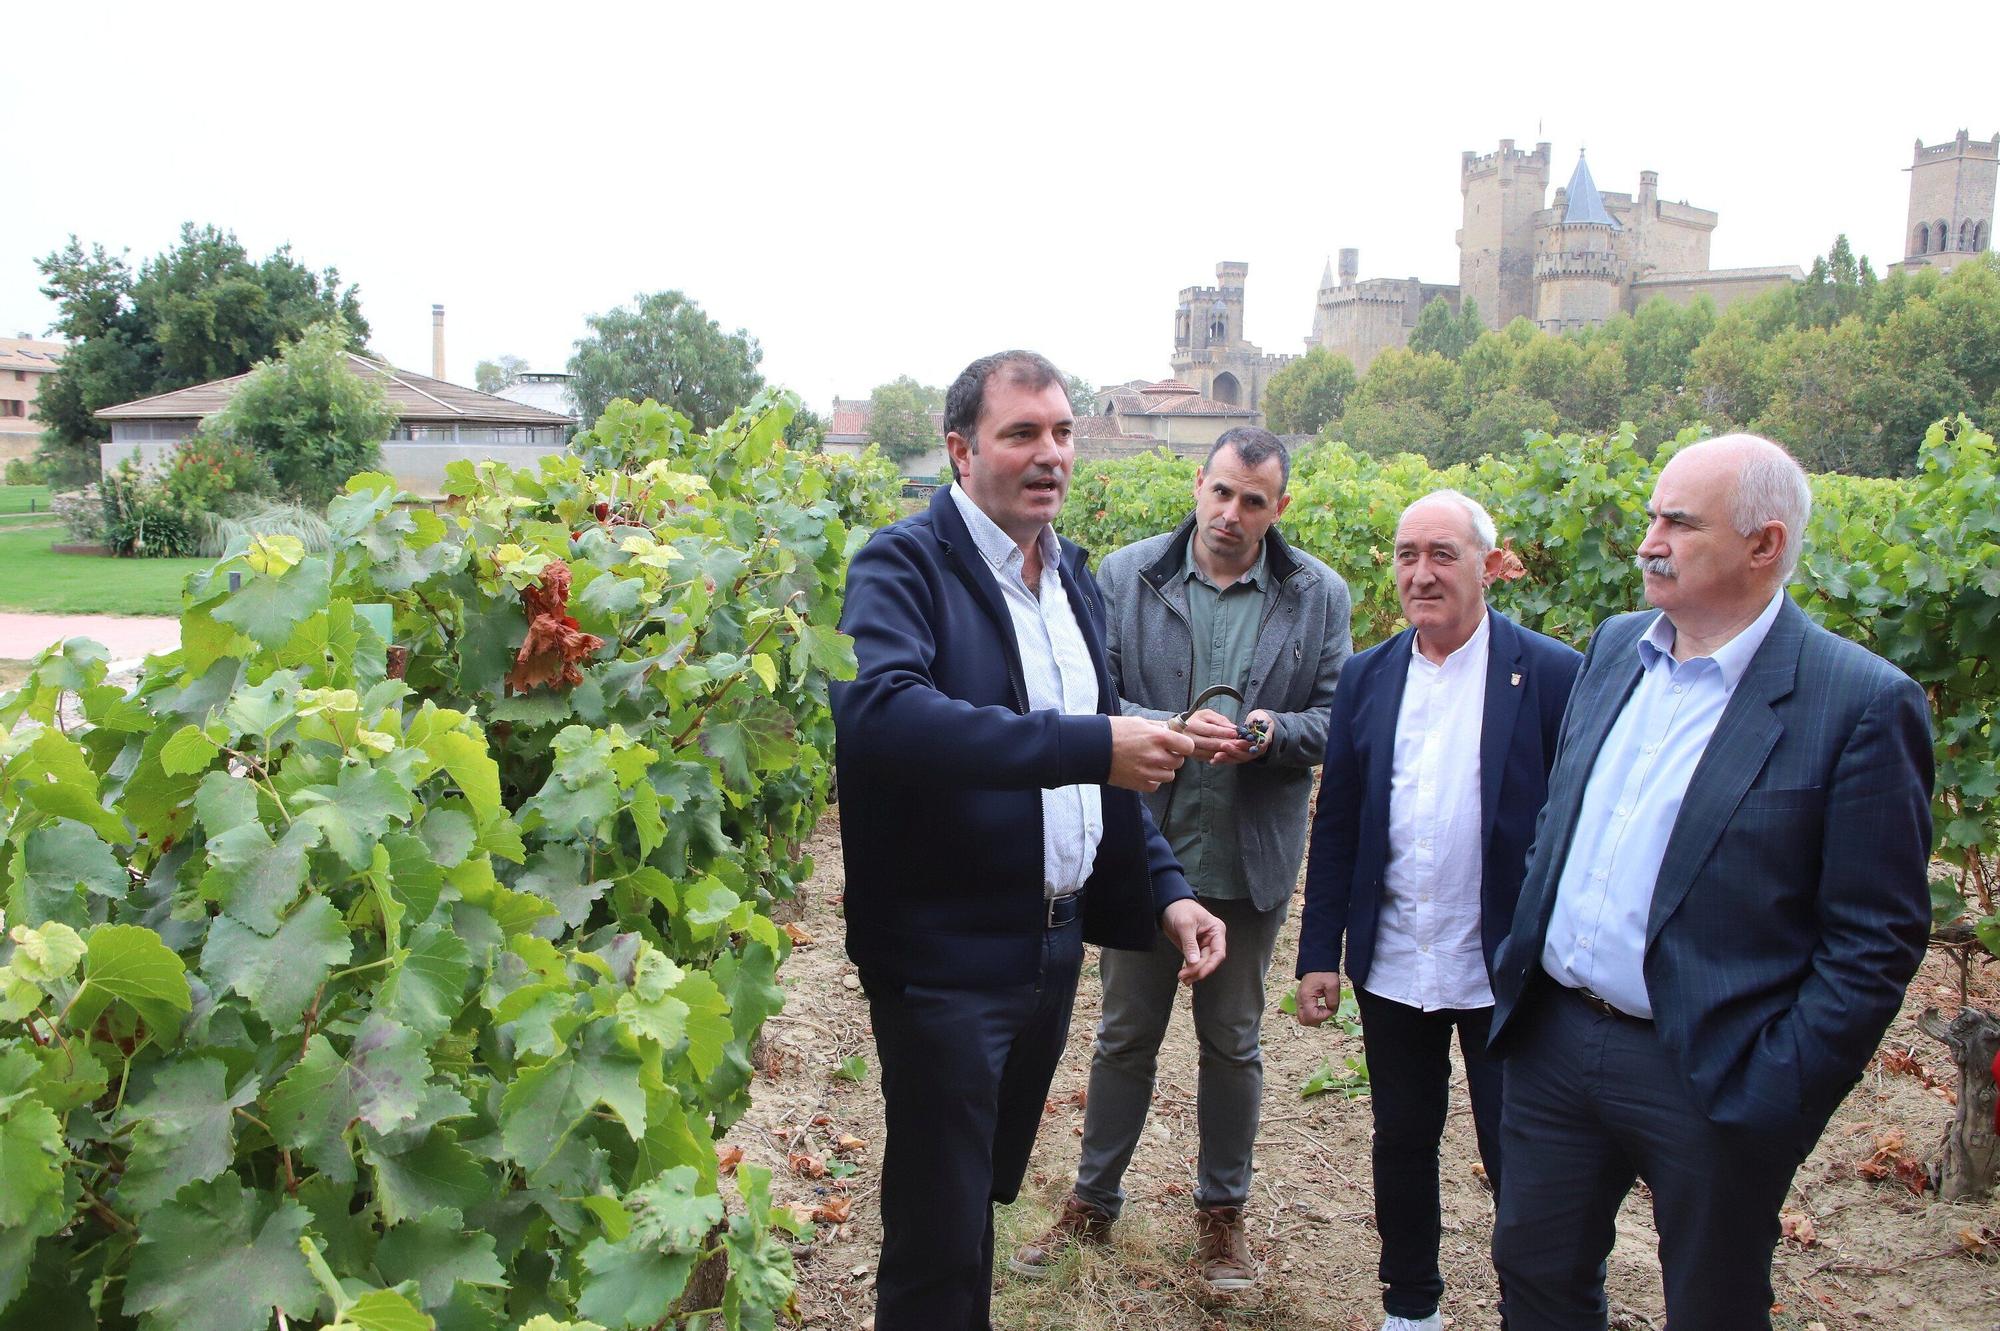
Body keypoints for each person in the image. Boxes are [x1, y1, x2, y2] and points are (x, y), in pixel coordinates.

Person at [1486, 435, 1935, 1330]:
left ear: (1764, 544)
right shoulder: (1615, 647)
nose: (1649, 540)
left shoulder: (1858, 702)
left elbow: (1876, 940)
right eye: (1653, 515)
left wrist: (1781, 1084)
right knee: (1534, 1277)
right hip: (1557, 1041)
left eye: (1679, 523)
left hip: (1715, 1067)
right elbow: (1560, 823)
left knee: (1713, 1303)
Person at [831, 349, 1229, 1331]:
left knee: (973, 1204)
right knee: (934, 1225)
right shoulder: (901, 564)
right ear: (961, 450)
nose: (1049, 453)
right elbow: (882, 717)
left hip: (1047, 947)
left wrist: (1168, 886)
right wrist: (1092, 742)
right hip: (942, 956)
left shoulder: (1070, 580)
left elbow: (1104, 773)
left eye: (1060, 432)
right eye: (1021, 434)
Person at [1012, 426, 1352, 1290]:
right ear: (1198, 483)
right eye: (1223, 492)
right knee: (1124, 1033)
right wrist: (1166, 725)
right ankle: (1091, 1204)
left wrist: (1270, 734)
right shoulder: (1126, 575)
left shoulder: (1318, 595)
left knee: (1233, 1041)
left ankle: (1221, 1220)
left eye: (1254, 501)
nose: (1232, 514)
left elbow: (1339, 717)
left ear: (1281, 508)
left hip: (1248, 859)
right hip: (1143, 845)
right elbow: (1090, 694)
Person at [1293, 490, 1582, 1331]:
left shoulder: (1553, 674)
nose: (1421, 573)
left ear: (1489, 567)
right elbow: (1338, 819)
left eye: (1442, 554)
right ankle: (1411, 1306)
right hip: (1395, 961)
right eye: (1407, 553)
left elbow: (1570, 825)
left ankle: (1528, 1306)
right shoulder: (1367, 675)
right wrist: (1321, 951)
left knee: (1516, 1149)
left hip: (1505, 971)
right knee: (1403, 1138)